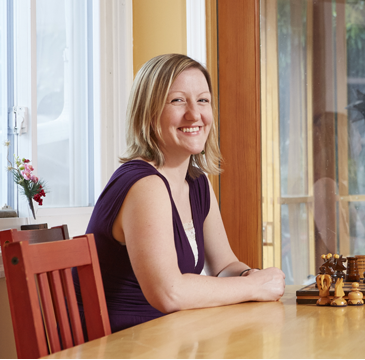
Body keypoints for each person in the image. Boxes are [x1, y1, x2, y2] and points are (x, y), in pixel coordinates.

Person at [77, 54, 285, 332]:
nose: (195, 114)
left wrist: (251, 274)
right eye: (177, 100)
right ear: (148, 112)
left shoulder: (197, 183)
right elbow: (169, 293)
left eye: (203, 100)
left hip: (167, 336)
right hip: (120, 345)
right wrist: (251, 286)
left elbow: (224, 264)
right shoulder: (144, 185)